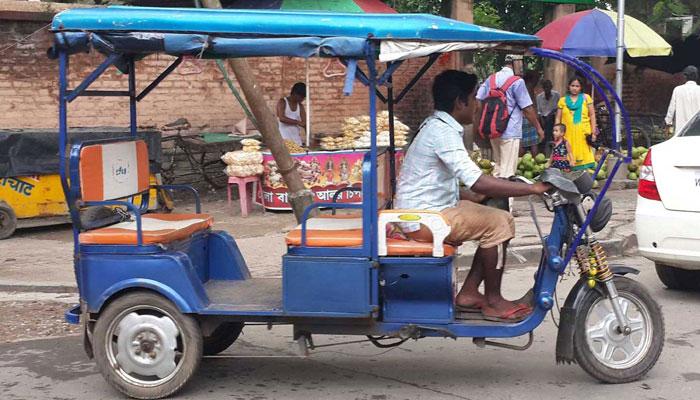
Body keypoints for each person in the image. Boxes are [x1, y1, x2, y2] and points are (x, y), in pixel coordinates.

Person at [395, 70, 550, 322]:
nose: (478, 105)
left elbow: (438, 181)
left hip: (429, 210)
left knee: (495, 210)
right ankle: (493, 301)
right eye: (473, 98)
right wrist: (533, 189)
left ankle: (469, 293)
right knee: (500, 222)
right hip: (425, 218)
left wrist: (471, 195)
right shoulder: (442, 132)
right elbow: (477, 180)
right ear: (460, 102)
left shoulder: (439, 126)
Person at [474, 57, 544, 214]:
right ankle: (506, 210)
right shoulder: (516, 82)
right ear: (515, 63)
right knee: (508, 171)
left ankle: (492, 204)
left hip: (493, 130)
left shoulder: (490, 80)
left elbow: (478, 102)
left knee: (497, 167)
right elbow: (527, 108)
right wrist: (538, 128)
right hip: (510, 131)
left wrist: (482, 125)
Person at [556, 77, 596, 171]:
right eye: (572, 85)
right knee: (567, 154)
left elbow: (592, 115)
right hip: (567, 133)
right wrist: (557, 133)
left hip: (583, 133)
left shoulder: (586, 98)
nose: (574, 88)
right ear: (568, 87)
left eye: (577, 86)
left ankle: (582, 178)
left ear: (581, 87)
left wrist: (593, 131)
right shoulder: (563, 100)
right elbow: (558, 117)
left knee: (584, 158)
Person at [665, 65, 700, 135]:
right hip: (697, 132)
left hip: (680, 132)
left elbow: (671, 109)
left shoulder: (677, 90)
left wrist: (668, 123)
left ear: (685, 76)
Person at [520, 71, 542, 157]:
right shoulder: (529, 87)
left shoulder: (523, 86)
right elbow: (531, 105)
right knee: (534, 141)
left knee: (523, 142)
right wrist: (536, 117)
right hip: (528, 116)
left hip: (524, 116)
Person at [536, 79, 560, 155]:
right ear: (543, 88)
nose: (547, 89)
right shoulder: (539, 97)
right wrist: (542, 119)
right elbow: (539, 111)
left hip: (553, 117)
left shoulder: (556, 95)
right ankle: (544, 149)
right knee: (545, 131)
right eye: (545, 88)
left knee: (551, 131)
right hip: (543, 118)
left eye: (548, 88)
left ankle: (552, 149)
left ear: (551, 87)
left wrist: (551, 114)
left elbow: (559, 107)